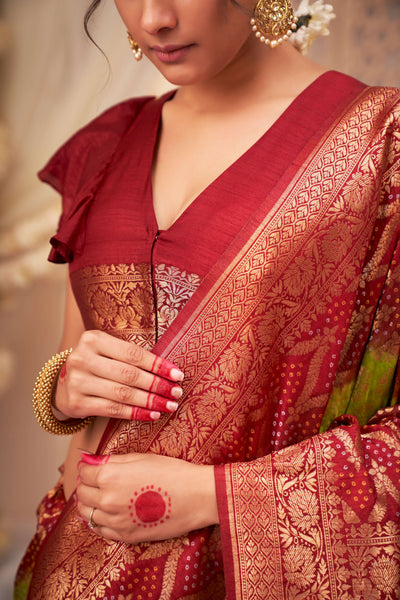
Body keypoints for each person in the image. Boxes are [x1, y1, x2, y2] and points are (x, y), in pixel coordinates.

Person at [14, 0, 400, 598]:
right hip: (69, 566)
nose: (153, 19)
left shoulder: (379, 147)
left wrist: (213, 496)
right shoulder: (105, 147)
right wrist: (62, 391)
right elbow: (72, 359)